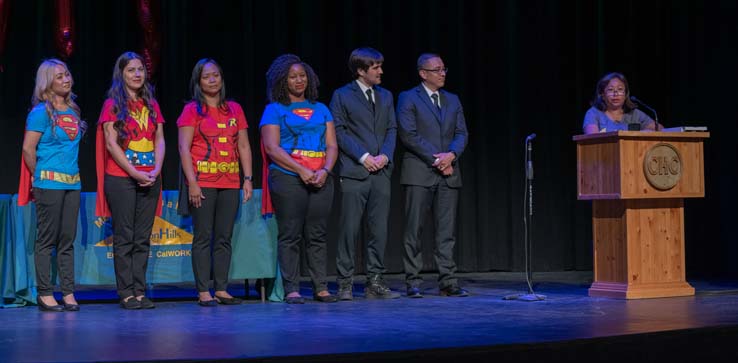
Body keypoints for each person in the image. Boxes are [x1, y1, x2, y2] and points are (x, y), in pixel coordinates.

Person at [260, 54, 338, 304]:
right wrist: (301, 170)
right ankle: (292, 288)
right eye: (292, 76)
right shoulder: (274, 110)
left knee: (317, 234)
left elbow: (332, 146)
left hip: (321, 178)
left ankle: (321, 287)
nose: (298, 80)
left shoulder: (321, 109)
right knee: (290, 233)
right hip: (288, 178)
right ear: (282, 81)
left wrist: (324, 171)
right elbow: (272, 148)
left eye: (302, 75)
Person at [177, 58, 253, 307]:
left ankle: (221, 288)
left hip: (230, 181)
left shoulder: (234, 109)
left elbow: (243, 145)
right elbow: (184, 149)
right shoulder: (191, 110)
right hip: (203, 181)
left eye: (216, 75)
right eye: (207, 76)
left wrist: (248, 179)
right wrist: (193, 183)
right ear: (198, 81)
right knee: (203, 236)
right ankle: (203, 291)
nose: (212, 80)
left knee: (224, 237)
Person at [96, 51, 165, 309]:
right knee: (125, 236)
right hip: (122, 178)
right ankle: (125, 292)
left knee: (142, 237)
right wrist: (135, 173)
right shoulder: (112, 105)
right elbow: (112, 145)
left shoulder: (152, 104)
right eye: (131, 70)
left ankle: (140, 290)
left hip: (150, 176)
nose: (137, 74)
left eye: (140, 69)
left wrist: (156, 169)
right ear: (121, 75)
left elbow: (159, 139)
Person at [396, 53, 469, 298]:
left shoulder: (453, 100)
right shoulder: (408, 98)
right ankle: (413, 281)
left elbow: (461, 134)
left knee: (446, 231)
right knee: (414, 229)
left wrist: (451, 156)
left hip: (449, 172)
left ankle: (448, 280)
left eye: (443, 69)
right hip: (420, 172)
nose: (442, 73)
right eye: (437, 69)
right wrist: (439, 159)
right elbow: (409, 135)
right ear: (422, 73)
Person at [329, 47, 399, 300]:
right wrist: (365, 157)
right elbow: (340, 131)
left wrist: (385, 156)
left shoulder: (386, 96)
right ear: (361, 70)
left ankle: (375, 281)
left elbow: (392, 128)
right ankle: (345, 282)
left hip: (381, 172)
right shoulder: (341, 95)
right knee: (349, 229)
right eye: (376, 67)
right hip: (355, 171)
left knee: (378, 229)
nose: (381, 71)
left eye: (381, 66)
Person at [19, 59, 86, 312]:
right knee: (47, 240)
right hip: (49, 183)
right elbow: (28, 148)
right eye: (59, 76)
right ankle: (45, 293)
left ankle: (68, 293)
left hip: (73, 182)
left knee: (67, 240)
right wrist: (40, 177)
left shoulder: (73, 110)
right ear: (47, 81)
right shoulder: (40, 113)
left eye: (67, 74)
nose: (66, 79)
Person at [582, 72, 662, 134]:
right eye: (610, 90)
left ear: (625, 94)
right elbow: (592, 138)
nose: (615, 94)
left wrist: (644, 133)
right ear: (602, 94)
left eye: (620, 89)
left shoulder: (635, 114)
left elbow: (661, 130)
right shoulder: (593, 113)